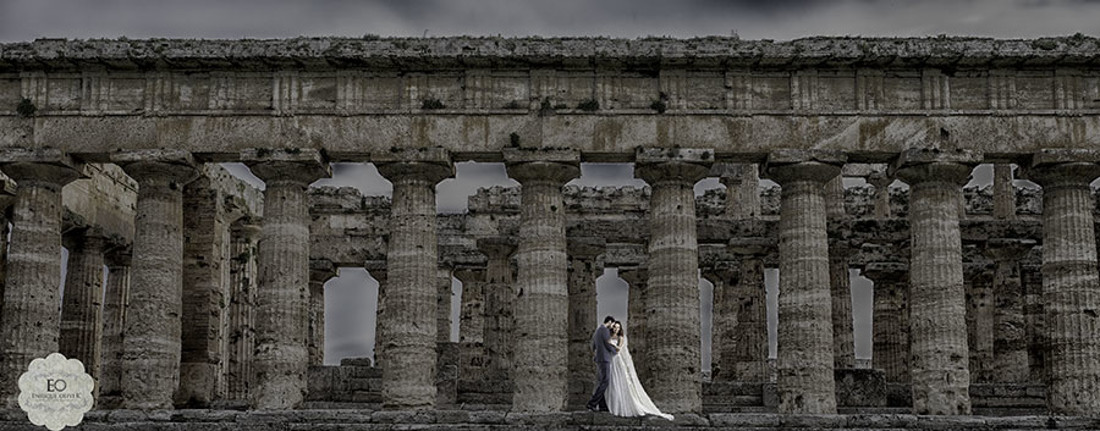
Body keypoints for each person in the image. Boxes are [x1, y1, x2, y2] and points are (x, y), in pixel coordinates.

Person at [604, 321, 674, 420]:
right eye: (615, 327)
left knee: (619, 381)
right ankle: (613, 404)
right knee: (612, 382)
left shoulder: (621, 338)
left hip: (617, 360)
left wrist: (611, 344)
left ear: (620, 329)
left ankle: (621, 407)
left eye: (618, 327)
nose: (616, 329)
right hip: (610, 360)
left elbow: (619, 349)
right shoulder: (609, 337)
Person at [586, 315, 618, 412]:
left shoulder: (596, 331)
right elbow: (608, 344)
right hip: (605, 359)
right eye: (612, 324)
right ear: (609, 322)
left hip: (599, 359)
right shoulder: (604, 330)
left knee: (601, 382)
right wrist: (616, 351)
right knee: (605, 381)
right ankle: (592, 403)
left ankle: (603, 406)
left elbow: (592, 346)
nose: (612, 327)